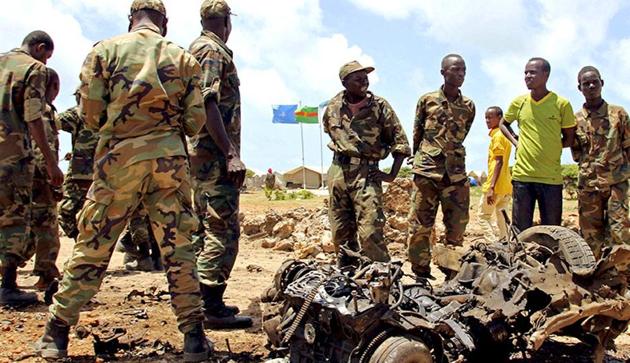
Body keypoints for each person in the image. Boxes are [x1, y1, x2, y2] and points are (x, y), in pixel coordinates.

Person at [34, 1, 211, 360]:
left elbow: (91, 115)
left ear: (131, 18)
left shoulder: (104, 51)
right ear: (165, 21)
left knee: (94, 245)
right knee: (179, 251)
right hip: (170, 163)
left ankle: (57, 333)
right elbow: (196, 122)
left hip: (119, 160)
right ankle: (193, 337)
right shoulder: (184, 59)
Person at [188, 0, 252, 329]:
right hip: (213, 156)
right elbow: (207, 99)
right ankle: (210, 307)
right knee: (221, 230)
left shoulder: (196, 49)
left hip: (200, 156)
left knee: (203, 229)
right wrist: (230, 153)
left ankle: (200, 302)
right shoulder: (213, 51)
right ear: (226, 21)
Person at [323, 60, 411, 268]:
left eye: (366, 77)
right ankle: (348, 278)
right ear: (345, 82)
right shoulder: (333, 107)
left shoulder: (380, 106)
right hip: (338, 171)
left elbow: (400, 142)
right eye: (358, 78)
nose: (364, 81)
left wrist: (391, 175)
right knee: (340, 231)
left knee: (370, 230)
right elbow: (331, 132)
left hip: (367, 172)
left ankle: (381, 282)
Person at [0, 30, 64, 306]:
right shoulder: (33, 69)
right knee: (14, 219)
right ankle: (8, 286)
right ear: (40, 49)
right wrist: (51, 164)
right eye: (47, 56)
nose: (46, 63)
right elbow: (34, 117)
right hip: (13, 156)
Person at [407, 54, 475, 280]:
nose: (460, 74)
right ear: (443, 72)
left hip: (455, 175)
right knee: (420, 227)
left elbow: (462, 135)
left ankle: (452, 273)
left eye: (463, 70)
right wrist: (418, 158)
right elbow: (417, 132)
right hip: (426, 171)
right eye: (455, 70)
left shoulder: (468, 106)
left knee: (456, 228)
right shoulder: (427, 100)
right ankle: (420, 274)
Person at [500, 57, 576, 232]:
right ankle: (519, 260)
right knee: (520, 230)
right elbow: (503, 123)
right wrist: (516, 141)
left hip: (551, 178)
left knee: (553, 231)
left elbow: (569, 138)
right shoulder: (519, 102)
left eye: (532, 72)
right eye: (525, 72)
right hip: (523, 177)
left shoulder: (561, 104)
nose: (527, 76)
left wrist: (550, 147)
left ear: (546, 74)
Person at [571, 66, 629, 258]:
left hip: (617, 185)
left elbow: (628, 146)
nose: (591, 86)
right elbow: (577, 153)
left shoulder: (618, 114)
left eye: (595, 81)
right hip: (589, 187)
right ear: (579, 88)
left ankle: (622, 282)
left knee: (620, 234)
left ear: (602, 83)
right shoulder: (575, 119)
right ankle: (594, 281)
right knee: (590, 238)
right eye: (586, 83)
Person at [26, 67, 62, 290]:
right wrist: (51, 176)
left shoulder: (24, 106)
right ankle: (46, 272)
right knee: (47, 224)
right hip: (39, 177)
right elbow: (43, 147)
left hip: (22, 175)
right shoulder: (44, 111)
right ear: (54, 87)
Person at [57, 88, 98, 241]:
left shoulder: (78, 113)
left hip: (82, 172)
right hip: (108, 170)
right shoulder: (110, 113)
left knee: (67, 211)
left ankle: (82, 243)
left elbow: (52, 122)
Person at [478, 106, 512, 241]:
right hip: (505, 186)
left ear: (500, 118)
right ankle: (506, 243)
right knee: (502, 218)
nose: (487, 120)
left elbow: (499, 162)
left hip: (496, 185)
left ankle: (492, 244)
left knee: (483, 217)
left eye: (490, 117)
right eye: (486, 117)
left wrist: (491, 187)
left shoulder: (497, 136)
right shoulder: (505, 135)